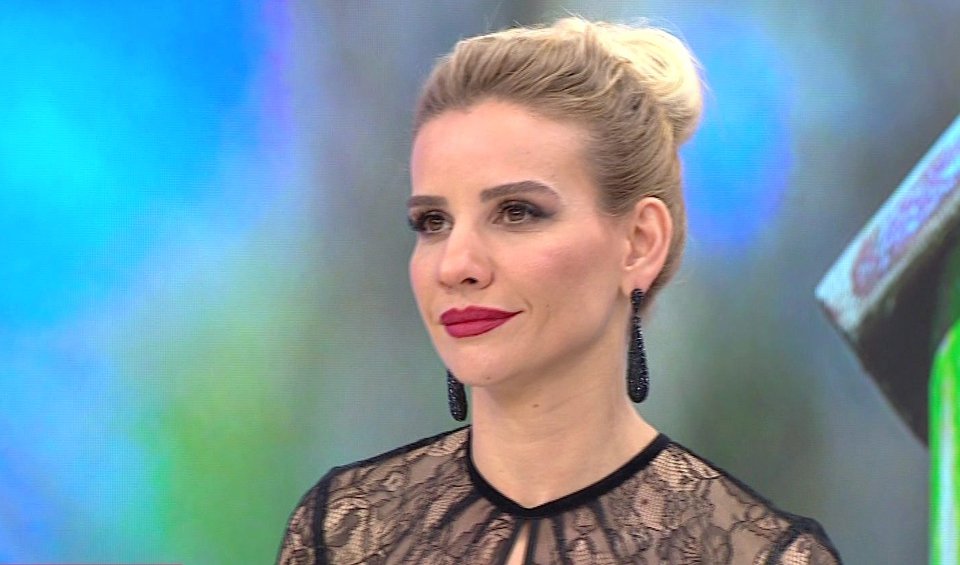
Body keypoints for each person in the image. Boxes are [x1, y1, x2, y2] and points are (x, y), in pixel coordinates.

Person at [278, 16, 841, 565]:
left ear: (640, 242)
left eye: (516, 212)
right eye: (433, 222)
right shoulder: (342, 532)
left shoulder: (760, 555)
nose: (455, 264)